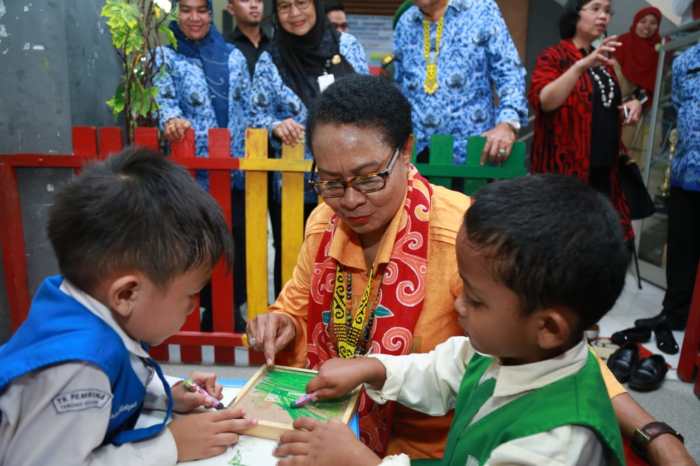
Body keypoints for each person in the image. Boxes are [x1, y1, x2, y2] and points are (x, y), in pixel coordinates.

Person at [248, 74, 696, 466]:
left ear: (405, 151)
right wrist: (282, 320)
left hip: (429, 448)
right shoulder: (324, 221)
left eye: (368, 178)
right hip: (339, 422)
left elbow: (563, 353)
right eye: (329, 181)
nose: (348, 200)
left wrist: (652, 432)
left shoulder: (475, 241)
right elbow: (450, 363)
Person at [274, 174, 630, 466]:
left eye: (474, 299)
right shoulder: (509, 350)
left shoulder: (553, 445)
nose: (458, 304)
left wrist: (360, 462)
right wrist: (372, 368)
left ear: (548, 328)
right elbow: (442, 370)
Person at [0, 148, 255, 465]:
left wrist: (165, 396)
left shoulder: (83, 302)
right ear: (126, 294)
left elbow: (118, 382)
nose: (194, 306)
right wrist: (170, 445)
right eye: (191, 293)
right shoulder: (79, 368)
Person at [251, 0, 368, 293]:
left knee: (347, 254)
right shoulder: (270, 59)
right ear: (276, 14)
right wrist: (275, 125)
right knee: (293, 257)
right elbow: (254, 114)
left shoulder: (346, 45)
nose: (295, 14)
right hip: (294, 183)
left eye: (301, 3)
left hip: (349, 182)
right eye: (285, 7)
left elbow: (369, 100)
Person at [529, 0, 643, 241]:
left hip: (605, 174)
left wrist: (629, 108)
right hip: (565, 177)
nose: (604, 16)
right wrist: (580, 66)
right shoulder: (555, 55)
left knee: (602, 252)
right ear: (574, 14)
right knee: (564, 249)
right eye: (595, 8)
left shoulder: (603, 62)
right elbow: (544, 101)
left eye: (607, 11)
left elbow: (601, 110)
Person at [392, 0, 528, 167]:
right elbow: (399, 87)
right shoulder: (405, 22)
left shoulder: (481, 10)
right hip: (417, 156)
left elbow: (508, 71)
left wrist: (507, 124)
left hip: (473, 153)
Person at [635, 42, 700, 335]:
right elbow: (677, 107)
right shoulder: (686, 60)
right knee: (681, 247)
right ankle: (674, 314)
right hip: (686, 170)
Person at [224, 0, 272, 331]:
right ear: (229, 7)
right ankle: (234, 309)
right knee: (239, 236)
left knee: (287, 238)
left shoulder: (277, 47)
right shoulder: (225, 50)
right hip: (239, 159)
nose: (254, 4)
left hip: (284, 155)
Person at [613, 6, 660, 168]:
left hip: (634, 112)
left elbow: (655, 85)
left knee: (624, 158)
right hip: (610, 104)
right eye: (643, 21)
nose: (647, 27)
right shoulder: (622, 42)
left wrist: (637, 101)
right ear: (635, 22)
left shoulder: (658, 51)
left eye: (653, 23)